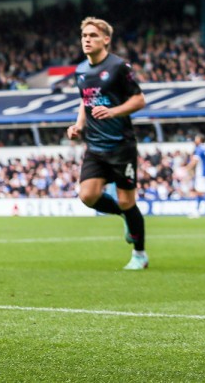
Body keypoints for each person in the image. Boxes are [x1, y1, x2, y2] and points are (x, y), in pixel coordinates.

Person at [66, 17, 148, 270]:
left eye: (92, 35)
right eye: (84, 36)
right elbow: (85, 101)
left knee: (126, 201)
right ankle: (125, 216)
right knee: (87, 196)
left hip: (121, 146)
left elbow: (139, 99)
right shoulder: (81, 71)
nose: (87, 40)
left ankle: (139, 254)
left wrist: (113, 112)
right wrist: (78, 126)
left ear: (106, 39)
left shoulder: (118, 67)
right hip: (94, 146)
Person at [188, 134, 205, 198]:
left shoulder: (199, 148)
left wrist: (186, 168)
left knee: (200, 192)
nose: (194, 140)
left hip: (200, 172)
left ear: (199, 140)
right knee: (202, 191)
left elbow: (195, 161)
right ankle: (200, 204)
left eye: (196, 138)